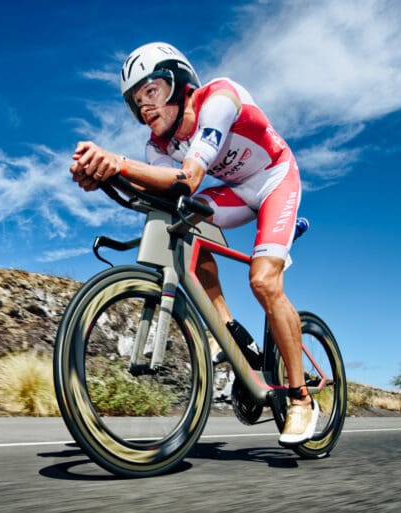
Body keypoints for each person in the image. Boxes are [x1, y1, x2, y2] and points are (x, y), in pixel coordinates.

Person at [70, 42, 318, 445]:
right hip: (238, 190)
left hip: (276, 179)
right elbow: (168, 196)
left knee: (263, 282)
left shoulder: (218, 98)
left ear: (179, 83)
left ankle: (301, 400)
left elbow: (188, 179)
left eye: (152, 91)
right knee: (181, 223)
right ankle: (232, 330)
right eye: (136, 102)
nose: (144, 107)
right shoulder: (158, 147)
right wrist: (104, 176)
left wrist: (117, 161)